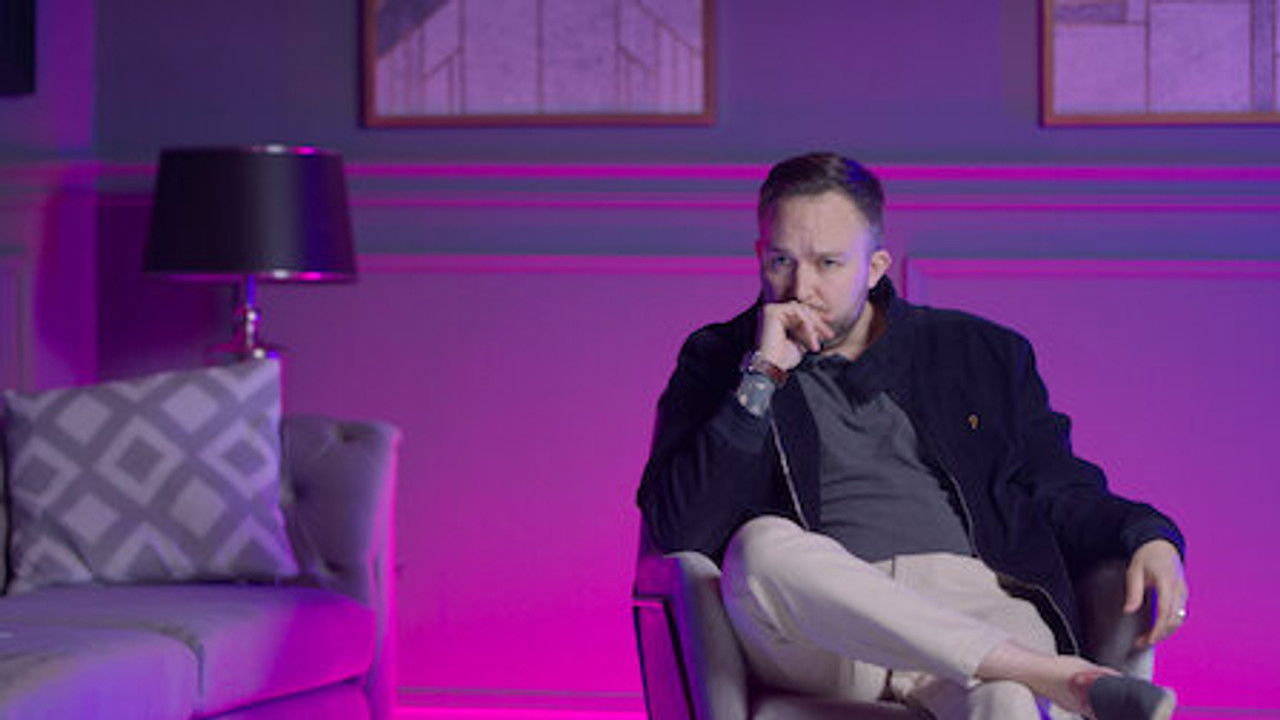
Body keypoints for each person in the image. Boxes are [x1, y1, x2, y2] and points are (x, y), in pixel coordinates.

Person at [637, 152, 1188, 720]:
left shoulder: (979, 353)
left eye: (828, 263)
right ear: (759, 255)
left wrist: (1149, 536)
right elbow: (678, 527)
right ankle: (1054, 676)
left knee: (1005, 702)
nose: (801, 287)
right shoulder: (720, 358)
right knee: (760, 547)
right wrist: (762, 375)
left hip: (978, 602)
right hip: (834, 628)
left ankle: (1017, 676)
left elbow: (1059, 487)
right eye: (781, 261)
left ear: (875, 267)